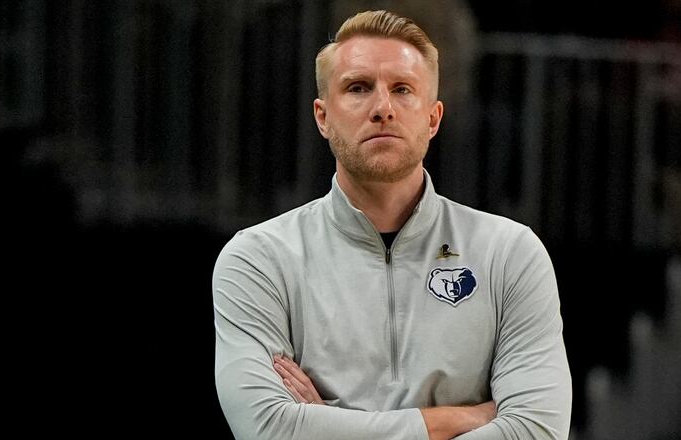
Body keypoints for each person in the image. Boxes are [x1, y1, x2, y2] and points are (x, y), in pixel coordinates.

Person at [213, 9, 572, 440]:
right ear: (322, 117)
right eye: (358, 88)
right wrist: (456, 419)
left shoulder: (511, 253)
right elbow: (269, 428)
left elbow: (536, 430)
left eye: (403, 89)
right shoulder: (257, 259)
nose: (383, 108)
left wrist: (329, 423)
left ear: (433, 118)